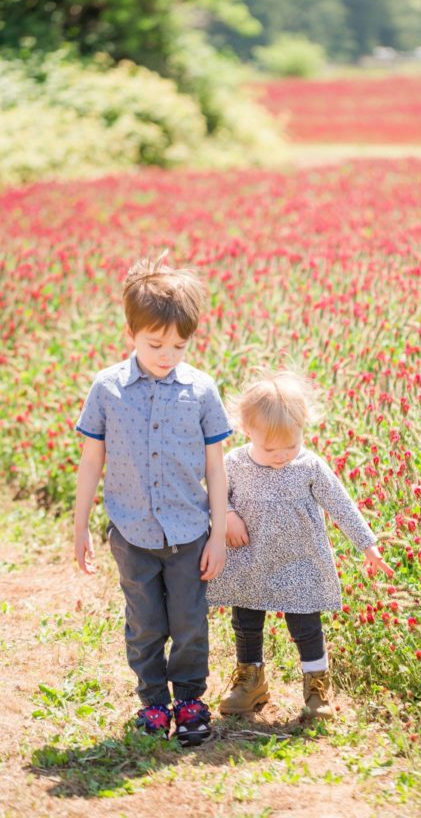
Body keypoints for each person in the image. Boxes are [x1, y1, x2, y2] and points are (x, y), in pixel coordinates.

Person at [73, 253, 231, 746]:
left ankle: (189, 700)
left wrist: (220, 533)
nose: (167, 354)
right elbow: (92, 461)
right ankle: (154, 704)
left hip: (189, 532)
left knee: (188, 622)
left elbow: (216, 466)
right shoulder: (108, 388)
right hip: (132, 532)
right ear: (131, 334)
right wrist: (79, 527)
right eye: (154, 343)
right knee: (144, 624)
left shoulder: (202, 390)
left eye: (179, 345)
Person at [207, 369, 393, 719]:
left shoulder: (309, 466)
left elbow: (341, 503)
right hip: (250, 559)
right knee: (246, 621)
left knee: (306, 624)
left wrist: (367, 544)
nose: (281, 455)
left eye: (291, 445)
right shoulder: (233, 463)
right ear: (247, 432)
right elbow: (214, 494)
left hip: (300, 560)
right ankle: (250, 679)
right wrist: (228, 515)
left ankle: (316, 685)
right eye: (270, 448)